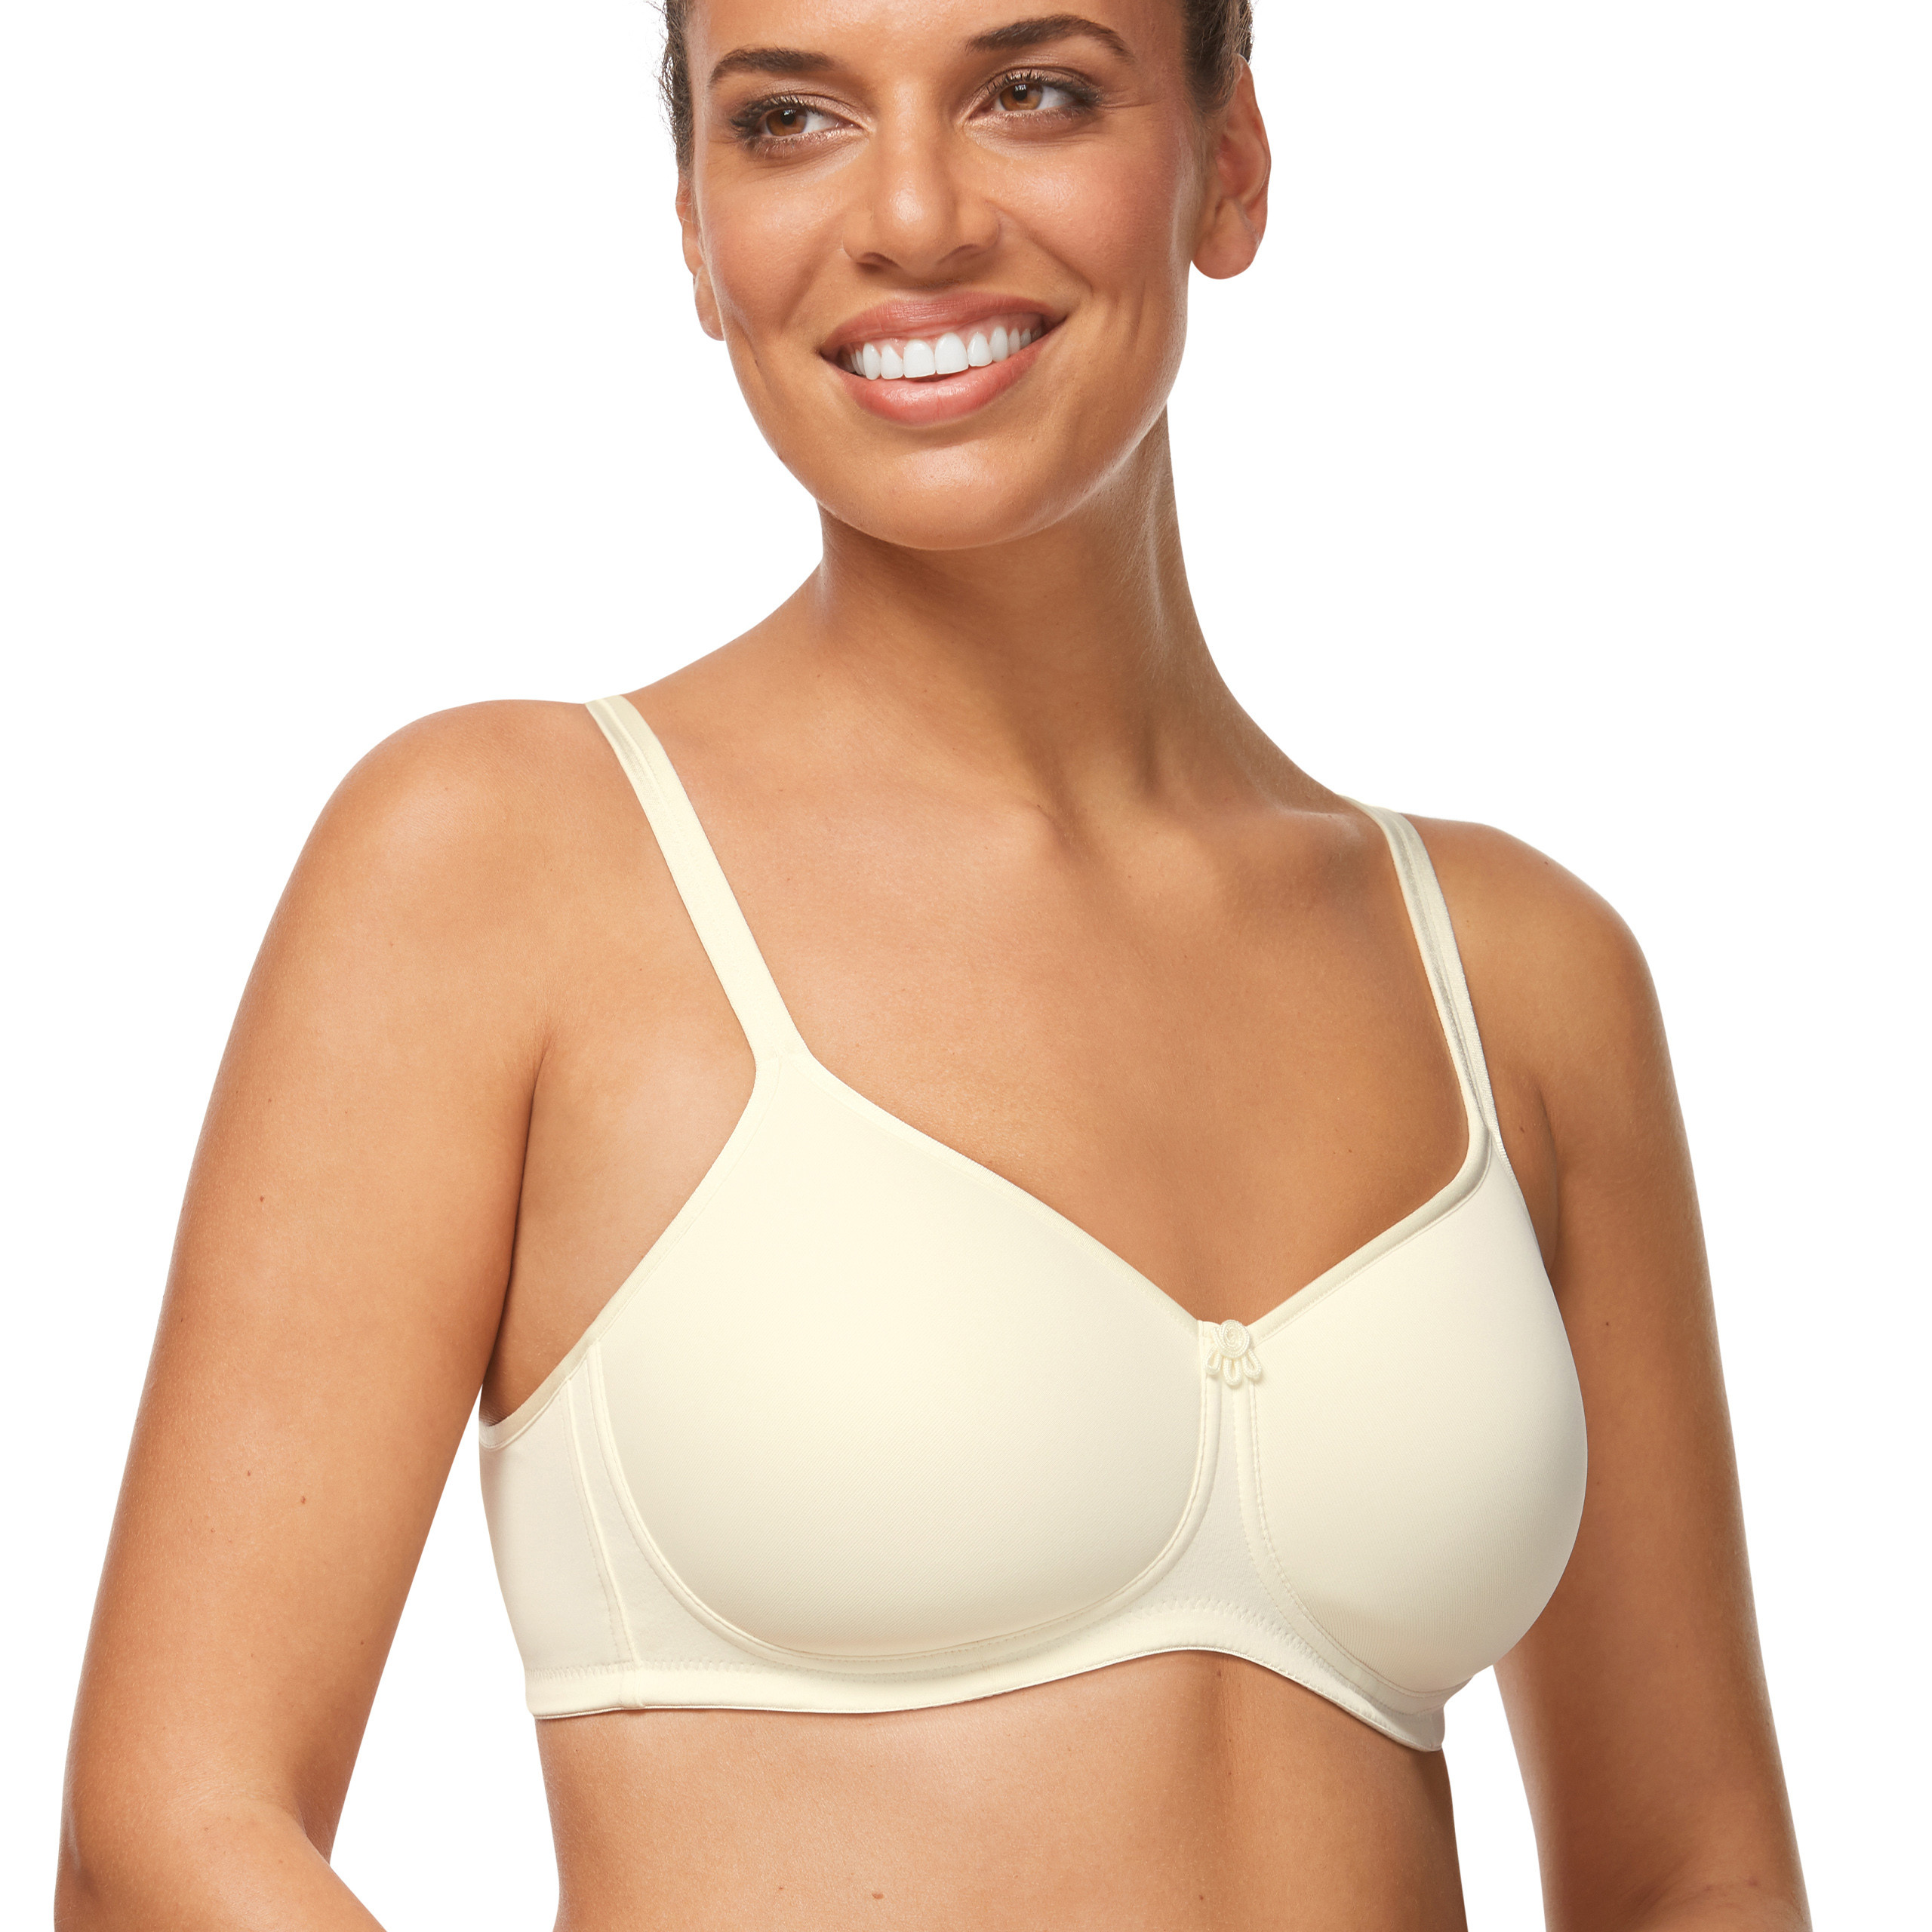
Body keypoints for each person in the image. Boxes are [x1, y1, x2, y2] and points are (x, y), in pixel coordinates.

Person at [57, 0, 1810, 1925]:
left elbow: (1695, 1875)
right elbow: (170, 1831)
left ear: (1226, 166)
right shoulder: (505, 867)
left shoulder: (1516, 976)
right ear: (695, 233)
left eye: (1030, 93)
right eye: (789, 120)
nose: (909, 216)